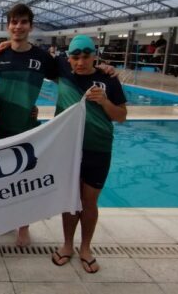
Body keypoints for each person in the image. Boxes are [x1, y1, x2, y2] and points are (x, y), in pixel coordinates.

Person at [0, 5, 117, 247]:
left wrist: (102, 69)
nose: (18, 26)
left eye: (23, 22)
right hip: (4, 127)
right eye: (14, 22)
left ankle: (24, 226)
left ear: (31, 25)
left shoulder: (43, 57)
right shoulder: (1, 56)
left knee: (25, 180)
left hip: (30, 128)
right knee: (5, 179)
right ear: (8, 26)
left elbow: (78, 71)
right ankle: (8, 218)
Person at [51, 35, 127, 274]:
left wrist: (104, 102)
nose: (81, 61)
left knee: (89, 201)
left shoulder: (108, 79)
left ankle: (85, 248)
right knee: (70, 199)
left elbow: (121, 116)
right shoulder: (62, 70)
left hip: (99, 147)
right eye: (75, 57)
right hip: (68, 147)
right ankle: (67, 245)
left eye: (86, 56)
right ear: (69, 58)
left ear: (95, 56)